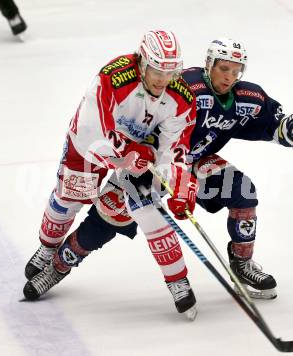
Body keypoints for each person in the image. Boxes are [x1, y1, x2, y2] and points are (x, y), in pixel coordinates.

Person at [25, 37, 293, 305]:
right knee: (112, 214)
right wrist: (133, 156)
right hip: (148, 161)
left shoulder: (247, 97)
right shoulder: (185, 85)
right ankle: (60, 264)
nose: (229, 76)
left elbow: (273, 124)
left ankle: (242, 262)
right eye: (223, 68)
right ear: (209, 64)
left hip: (193, 161)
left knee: (243, 191)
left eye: (235, 70)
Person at [23, 30, 198, 318]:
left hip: (136, 158)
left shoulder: (180, 97)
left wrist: (178, 184)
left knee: (137, 210)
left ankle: (177, 278)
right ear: (142, 61)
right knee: (68, 200)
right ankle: (47, 248)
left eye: (170, 72)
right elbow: (96, 131)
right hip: (90, 148)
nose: (162, 80)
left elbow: (174, 147)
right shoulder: (112, 78)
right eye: (156, 70)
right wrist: (128, 152)